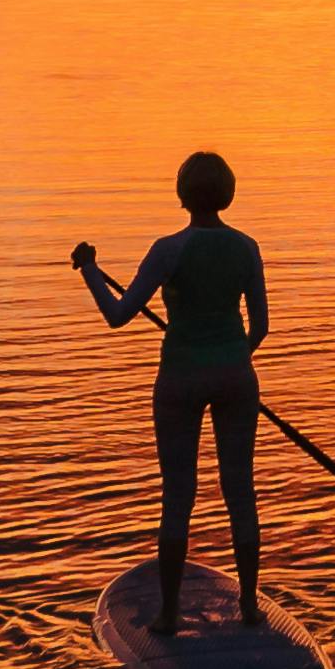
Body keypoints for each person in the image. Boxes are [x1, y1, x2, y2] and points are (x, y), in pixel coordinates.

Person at [77, 150, 270, 626]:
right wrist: (230, 357)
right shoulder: (247, 247)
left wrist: (89, 270)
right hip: (236, 375)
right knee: (240, 490)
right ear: (227, 194)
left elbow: (118, 315)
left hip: (180, 377)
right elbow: (261, 327)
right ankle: (248, 605)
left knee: (178, 493)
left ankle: (166, 615)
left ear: (183, 195)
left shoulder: (168, 249)